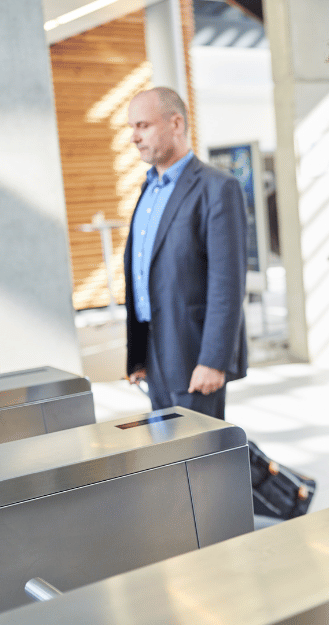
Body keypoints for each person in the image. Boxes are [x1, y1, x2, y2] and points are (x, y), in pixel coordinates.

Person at [123, 87, 248, 419]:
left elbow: (228, 284)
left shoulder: (217, 188)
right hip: (153, 350)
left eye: (143, 126)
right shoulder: (147, 189)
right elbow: (142, 272)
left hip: (193, 351)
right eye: (132, 128)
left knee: (202, 459)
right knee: (169, 453)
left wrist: (213, 360)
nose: (134, 137)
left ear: (175, 124)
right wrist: (138, 356)